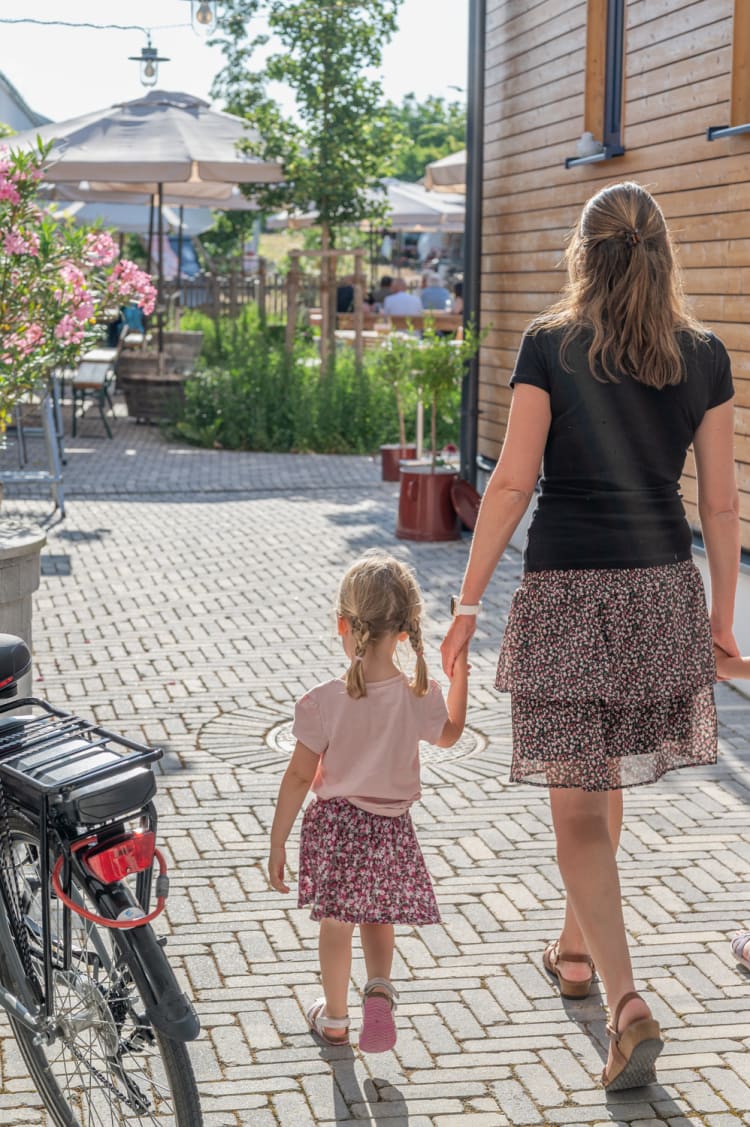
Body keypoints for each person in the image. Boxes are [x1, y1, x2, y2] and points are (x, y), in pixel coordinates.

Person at [440, 181, 739, 1092]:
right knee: (602, 785)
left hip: (569, 593)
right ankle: (574, 951)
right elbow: (722, 501)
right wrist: (721, 617)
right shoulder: (705, 354)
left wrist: (464, 603)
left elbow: (509, 485)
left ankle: (627, 1004)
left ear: (583, 251)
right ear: (663, 254)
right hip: (658, 595)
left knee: (575, 808)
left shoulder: (550, 345)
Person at [268, 550, 469, 1052]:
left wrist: (277, 843)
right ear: (404, 630)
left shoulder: (321, 701)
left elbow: (297, 777)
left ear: (343, 624)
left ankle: (335, 1018)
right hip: (392, 825)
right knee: (380, 915)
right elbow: (451, 734)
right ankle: (378, 990)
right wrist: (460, 676)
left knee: (336, 926)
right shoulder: (417, 694)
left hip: (337, 826)